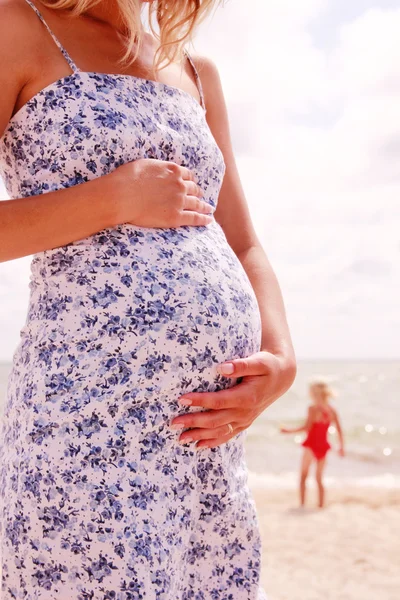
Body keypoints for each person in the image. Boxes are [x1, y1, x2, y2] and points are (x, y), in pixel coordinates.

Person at [0, 0, 297, 597]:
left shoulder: (193, 69)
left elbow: (241, 241)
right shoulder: (16, 26)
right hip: (86, 427)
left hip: (205, 448)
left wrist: (280, 359)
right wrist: (111, 199)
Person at [280, 378, 345, 509]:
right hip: (323, 446)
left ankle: (302, 504)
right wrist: (342, 447)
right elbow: (339, 430)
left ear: (315, 394)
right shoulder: (332, 410)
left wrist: (289, 430)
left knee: (303, 476)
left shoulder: (313, 409)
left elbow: (307, 427)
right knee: (319, 479)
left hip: (311, 445)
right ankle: (321, 505)